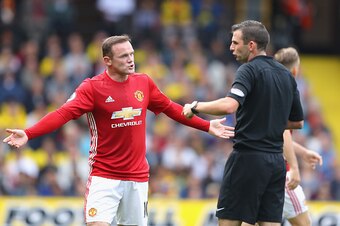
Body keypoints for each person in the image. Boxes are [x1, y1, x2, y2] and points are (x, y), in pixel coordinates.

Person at [3, 35, 235, 226]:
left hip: (137, 179)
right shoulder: (92, 88)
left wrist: (206, 126)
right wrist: (29, 133)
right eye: (124, 56)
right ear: (107, 60)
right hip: (104, 177)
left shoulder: (143, 83)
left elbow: (171, 109)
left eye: (132, 54)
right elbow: (62, 113)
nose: (131, 60)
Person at [182, 20, 304, 226]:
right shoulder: (287, 75)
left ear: (251, 45)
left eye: (235, 43)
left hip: (248, 159)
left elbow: (230, 105)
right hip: (276, 164)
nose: (231, 47)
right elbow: (297, 122)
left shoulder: (248, 70)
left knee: (229, 222)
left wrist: (195, 106)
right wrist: (269, 122)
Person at [274, 47, 323, 226]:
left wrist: (302, 152)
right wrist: (294, 167)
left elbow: (275, 136)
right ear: (295, 70)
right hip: (279, 173)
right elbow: (283, 131)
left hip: (258, 168)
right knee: (304, 223)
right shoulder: (286, 91)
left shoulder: (269, 90)